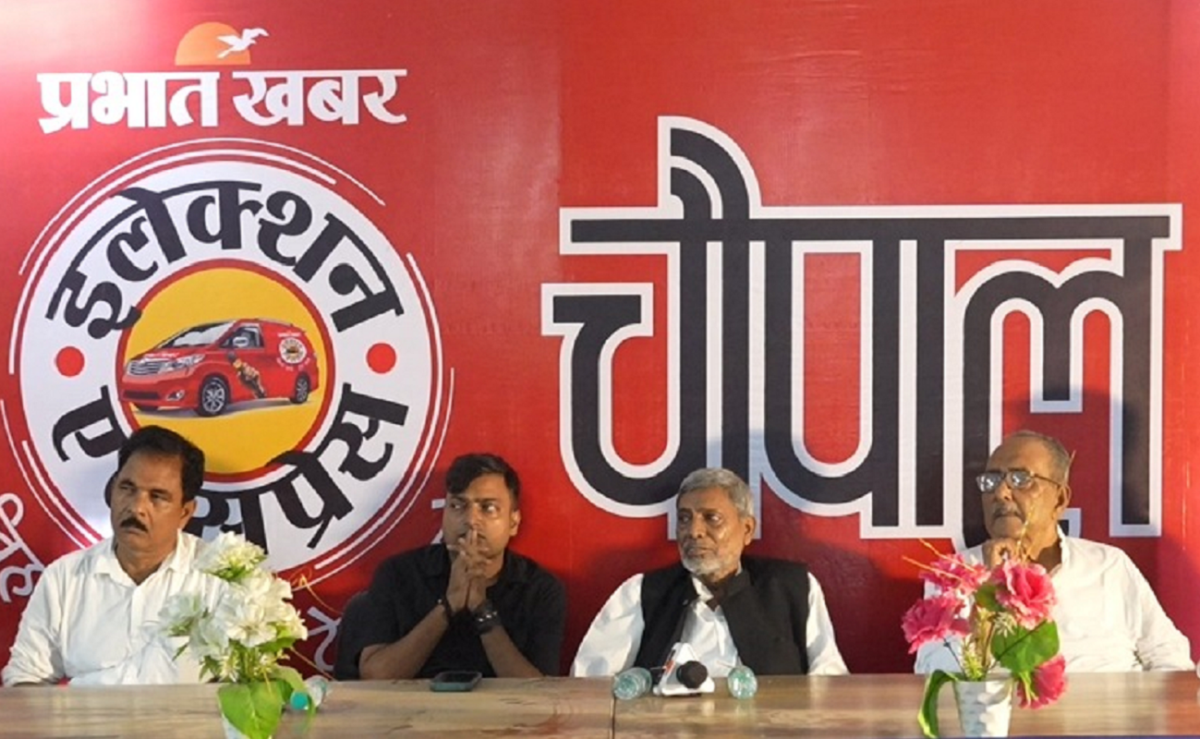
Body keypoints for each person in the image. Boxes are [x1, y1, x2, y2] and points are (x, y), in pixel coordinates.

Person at [915, 429, 1194, 673]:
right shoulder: (956, 575)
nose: (1000, 493)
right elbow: (932, 670)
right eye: (991, 481)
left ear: (1060, 499)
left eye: (1020, 479)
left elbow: (1169, 655)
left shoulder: (1108, 566)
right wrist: (989, 595)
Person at [2, 425, 226, 686]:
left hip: (185, 714)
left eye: (157, 497)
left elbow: (249, 686)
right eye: (127, 488)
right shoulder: (64, 579)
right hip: (85, 714)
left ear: (185, 513)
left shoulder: (220, 579)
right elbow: (24, 679)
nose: (136, 507)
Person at [572, 467, 849, 677]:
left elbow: (828, 682)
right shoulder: (642, 593)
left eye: (711, 518)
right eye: (684, 518)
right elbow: (589, 685)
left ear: (747, 529)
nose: (694, 531)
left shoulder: (793, 589)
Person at [348, 453, 566, 679]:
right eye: (457, 505)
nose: (471, 520)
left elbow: (538, 690)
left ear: (513, 522)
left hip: (502, 703)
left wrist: (482, 610)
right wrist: (448, 605)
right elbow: (376, 677)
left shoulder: (540, 589)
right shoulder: (399, 574)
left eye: (488, 508)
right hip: (414, 702)